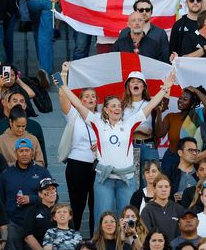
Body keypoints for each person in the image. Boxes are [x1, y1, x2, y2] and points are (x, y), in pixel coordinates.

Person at [56, 64, 173, 217]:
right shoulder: (97, 122)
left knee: (128, 216)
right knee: (103, 216)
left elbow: (151, 105)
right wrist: (63, 85)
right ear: (105, 109)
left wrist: (165, 88)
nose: (117, 108)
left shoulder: (129, 123)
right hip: (105, 179)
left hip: (126, 179)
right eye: (113, 106)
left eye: (119, 106)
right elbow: (78, 104)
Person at [56, 84, 97, 233]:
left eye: (93, 96)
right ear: (79, 100)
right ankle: (73, 238)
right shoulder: (73, 114)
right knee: (77, 205)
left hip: (98, 166)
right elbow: (62, 96)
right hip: (77, 165)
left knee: (95, 205)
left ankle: (95, 239)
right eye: (86, 96)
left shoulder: (102, 117)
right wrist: (63, 78)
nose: (90, 98)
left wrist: (100, 144)